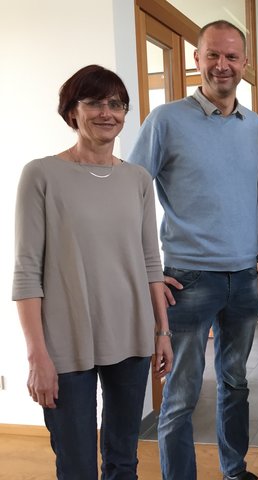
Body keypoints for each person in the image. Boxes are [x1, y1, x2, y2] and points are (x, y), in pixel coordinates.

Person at [12, 64, 173, 479]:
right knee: (77, 463)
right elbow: (27, 270)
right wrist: (37, 356)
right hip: (66, 342)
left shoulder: (137, 179)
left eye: (116, 104)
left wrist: (162, 330)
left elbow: (149, 260)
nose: (108, 113)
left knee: (123, 461)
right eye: (95, 103)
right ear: (72, 112)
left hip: (131, 336)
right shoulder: (42, 174)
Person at [128, 20, 258, 480]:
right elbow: (130, 196)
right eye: (213, 55)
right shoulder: (166, 120)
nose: (222, 65)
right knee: (181, 395)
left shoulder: (257, 128)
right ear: (197, 59)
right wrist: (147, 271)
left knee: (236, 383)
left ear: (245, 64)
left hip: (245, 278)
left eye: (231, 56)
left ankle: (235, 470)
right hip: (188, 281)